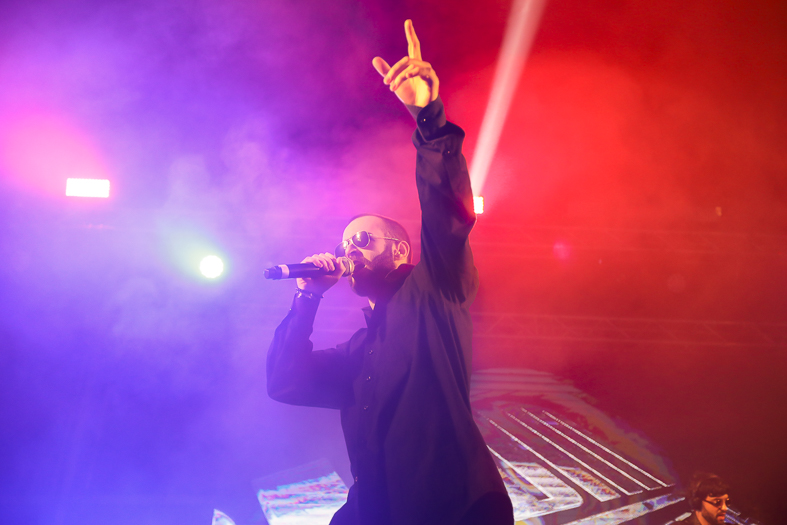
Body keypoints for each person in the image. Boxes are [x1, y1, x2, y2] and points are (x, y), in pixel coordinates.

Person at [266, 19, 514, 525]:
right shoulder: (358, 352)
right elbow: (286, 382)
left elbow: (446, 217)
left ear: (400, 251)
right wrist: (308, 297)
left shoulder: (435, 291)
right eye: (345, 242)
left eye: (363, 239)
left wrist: (429, 118)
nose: (349, 248)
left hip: (453, 509)